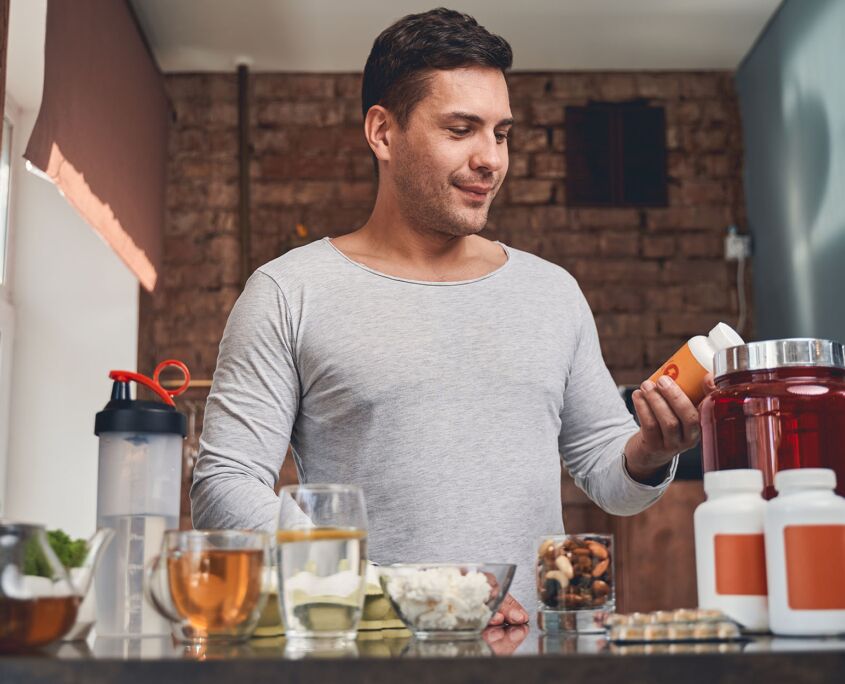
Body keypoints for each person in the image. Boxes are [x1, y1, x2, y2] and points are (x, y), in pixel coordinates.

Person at [191, 7, 705, 625]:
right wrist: (400, 596)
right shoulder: (288, 292)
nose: (491, 158)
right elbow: (224, 485)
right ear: (382, 133)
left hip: (529, 655)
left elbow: (604, 471)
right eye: (461, 129)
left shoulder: (552, 292)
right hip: (366, 655)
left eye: (501, 133)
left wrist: (648, 453)